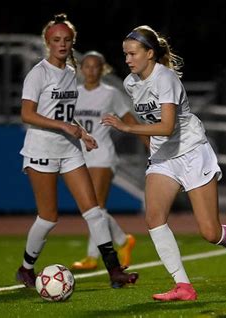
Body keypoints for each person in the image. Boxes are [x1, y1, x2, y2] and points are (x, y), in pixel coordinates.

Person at [101, 25, 226, 302]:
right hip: (164, 157)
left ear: (150, 53)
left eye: (132, 53)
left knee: (210, 232)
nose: (127, 59)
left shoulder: (166, 79)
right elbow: (154, 126)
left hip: (192, 151)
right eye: (125, 54)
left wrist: (127, 129)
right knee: (154, 218)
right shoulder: (130, 83)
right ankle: (183, 286)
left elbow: (165, 127)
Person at [15, 13, 138, 289]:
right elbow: (27, 114)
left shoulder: (71, 73)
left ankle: (114, 270)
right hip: (41, 150)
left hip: (70, 150)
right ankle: (26, 268)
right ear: (47, 42)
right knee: (48, 218)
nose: (62, 44)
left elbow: (68, 114)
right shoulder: (38, 73)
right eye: (56, 40)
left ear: (72, 43)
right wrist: (63, 125)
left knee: (93, 211)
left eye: (67, 40)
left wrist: (82, 133)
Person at [71, 50, 149, 270]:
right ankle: (123, 241)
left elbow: (129, 119)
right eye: (87, 66)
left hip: (103, 155)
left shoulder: (110, 93)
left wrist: (148, 143)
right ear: (81, 69)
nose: (91, 70)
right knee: (92, 210)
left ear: (102, 69)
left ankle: (92, 257)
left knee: (95, 207)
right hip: (80, 157)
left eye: (96, 66)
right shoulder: (74, 94)